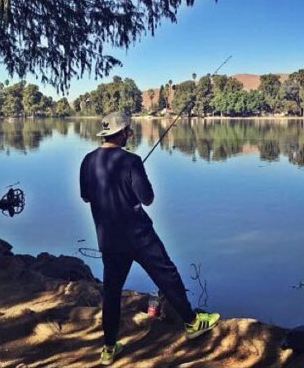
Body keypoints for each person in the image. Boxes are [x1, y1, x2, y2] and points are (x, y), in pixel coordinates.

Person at [80, 111, 220, 365]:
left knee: (111, 292)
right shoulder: (132, 161)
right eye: (128, 131)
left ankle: (109, 348)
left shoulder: (88, 161)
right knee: (168, 276)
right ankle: (191, 322)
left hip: (109, 238)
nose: (129, 134)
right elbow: (147, 198)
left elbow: (86, 196)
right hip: (138, 235)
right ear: (123, 133)